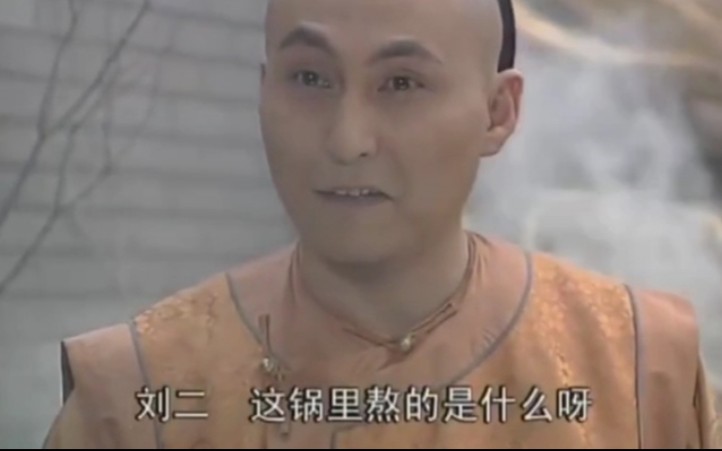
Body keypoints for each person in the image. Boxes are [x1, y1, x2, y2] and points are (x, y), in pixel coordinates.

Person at [43, 0, 719, 448]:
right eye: (310, 79)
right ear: (262, 91)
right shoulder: (140, 389)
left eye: (401, 84)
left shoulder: (640, 369)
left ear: (498, 112)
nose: (347, 141)